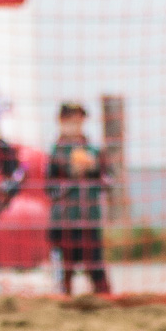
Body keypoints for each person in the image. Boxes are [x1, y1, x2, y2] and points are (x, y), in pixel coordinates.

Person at [46, 102, 111, 295]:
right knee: (65, 272)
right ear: (61, 122)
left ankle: (103, 300)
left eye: (78, 121)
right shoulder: (56, 154)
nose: (75, 126)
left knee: (97, 270)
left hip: (89, 220)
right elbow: (50, 189)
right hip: (64, 221)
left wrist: (94, 170)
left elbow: (109, 182)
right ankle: (64, 299)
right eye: (70, 121)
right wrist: (71, 177)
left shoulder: (94, 152)